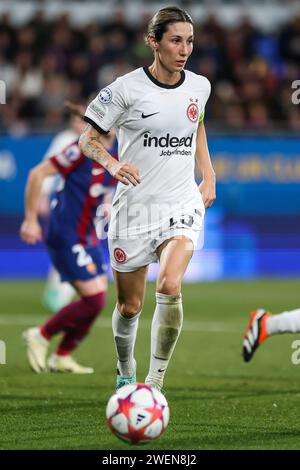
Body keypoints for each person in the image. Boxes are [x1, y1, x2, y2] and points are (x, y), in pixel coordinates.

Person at [79, 6, 216, 391]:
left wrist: (209, 174)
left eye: (189, 41)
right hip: (134, 209)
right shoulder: (124, 89)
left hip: (180, 203)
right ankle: (126, 370)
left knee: (170, 286)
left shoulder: (199, 86)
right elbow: (86, 139)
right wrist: (110, 163)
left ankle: (154, 382)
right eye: (175, 40)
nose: (184, 49)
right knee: (130, 307)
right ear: (153, 42)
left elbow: (197, 124)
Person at [20, 106, 117, 374]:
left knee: (97, 300)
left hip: (88, 235)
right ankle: (41, 334)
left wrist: (108, 203)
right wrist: (30, 219)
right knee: (94, 299)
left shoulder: (117, 151)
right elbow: (37, 174)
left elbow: (106, 186)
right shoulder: (80, 149)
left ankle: (62, 356)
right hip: (66, 233)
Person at [39, 102, 84, 312]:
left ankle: (63, 289)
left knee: (76, 246)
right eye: (76, 119)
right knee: (70, 246)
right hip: (67, 203)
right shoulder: (65, 140)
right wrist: (42, 196)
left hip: (86, 206)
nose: (79, 123)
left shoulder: (94, 141)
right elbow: (48, 168)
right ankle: (61, 292)